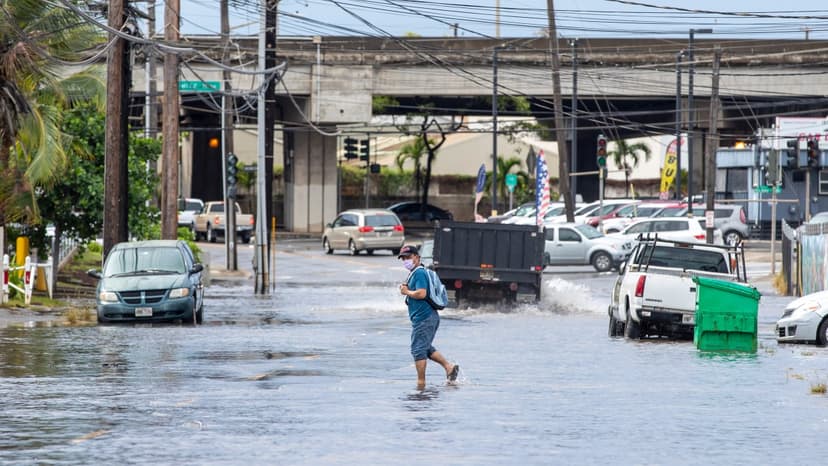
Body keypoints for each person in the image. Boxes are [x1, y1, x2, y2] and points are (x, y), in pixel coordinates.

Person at [398, 244, 459, 389]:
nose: (406, 260)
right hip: (428, 317)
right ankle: (449, 367)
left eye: (408, 257)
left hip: (424, 318)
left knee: (418, 350)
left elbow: (421, 293)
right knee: (424, 347)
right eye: (403, 258)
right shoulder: (416, 272)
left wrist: (406, 292)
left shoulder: (419, 273)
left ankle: (421, 384)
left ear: (417, 258)